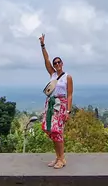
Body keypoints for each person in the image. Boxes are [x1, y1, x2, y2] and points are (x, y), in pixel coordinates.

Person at [39, 33, 73, 169]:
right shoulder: (52, 74)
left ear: (62, 63)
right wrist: (42, 45)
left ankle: (62, 158)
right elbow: (46, 59)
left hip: (61, 105)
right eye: (55, 63)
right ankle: (58, 157)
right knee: (50, 130)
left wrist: (68, 111)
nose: (57, 64)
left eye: (59, 62)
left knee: (57, 131)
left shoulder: (68, 77)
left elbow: (70, 94)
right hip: (51, 104)